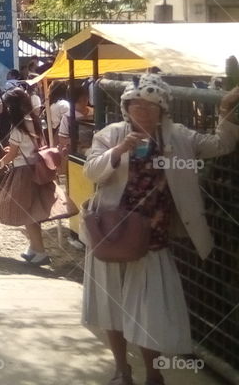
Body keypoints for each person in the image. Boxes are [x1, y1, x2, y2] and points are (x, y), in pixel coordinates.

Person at [81, 75, 239, 385]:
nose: (141, 110)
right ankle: (122, 371)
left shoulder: (177, 137)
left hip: (153, 239)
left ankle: (154, 374)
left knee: (150, 310)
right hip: (111, 234)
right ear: (125, 106)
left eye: (150, 105)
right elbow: (91, 171)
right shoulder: (112, 134)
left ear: (162, 108)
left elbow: (219, 144)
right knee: (111, 305)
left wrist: (225, 111)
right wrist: (118, 151)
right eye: (135, 104)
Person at [0, 88, 76, 265]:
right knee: (33, 211)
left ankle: (40, 251)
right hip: (37, 169)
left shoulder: (17, 127)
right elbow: (31, 147)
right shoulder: (34, 121)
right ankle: (34, 248)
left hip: (23, 173)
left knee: (26, 213)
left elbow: (11, 155)